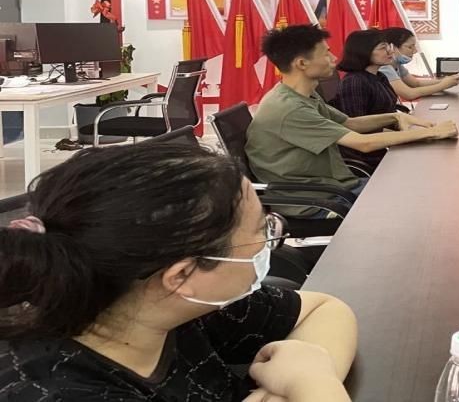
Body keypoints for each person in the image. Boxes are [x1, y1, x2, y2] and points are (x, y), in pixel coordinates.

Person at [0, 143, 357, 401]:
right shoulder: (58, 391)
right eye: (261, 231)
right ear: (182, 275)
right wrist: (311, 383)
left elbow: (326, 309)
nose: (269, 239)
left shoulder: (171, 309)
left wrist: (305, 375)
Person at [248, 25, 458, 201]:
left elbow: (350, 123)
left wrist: (396, 116)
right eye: (326, 53)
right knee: (418, 195)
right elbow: (363, 143)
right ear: (302, 63)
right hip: (317, 198)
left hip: (335, 185)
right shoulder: (290, 108)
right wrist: (432, 132)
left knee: (419, 186)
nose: (334, 58)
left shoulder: (302, 95)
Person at [331, 29, 407, 170]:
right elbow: (359, 128)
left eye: (388, 46)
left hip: (385, 146)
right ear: (364, 51)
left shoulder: (380, 76)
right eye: (383, 48)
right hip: (367, 157)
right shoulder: (354, 82)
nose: (390, 51)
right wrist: (405, 136)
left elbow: (388, 112)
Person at [379, 27, 459, 101]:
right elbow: (409, 94)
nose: (415, 51)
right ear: (391, 47)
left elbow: (416, 83)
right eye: (410, 47)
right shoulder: (384, 68)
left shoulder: (397, 64)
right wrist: (443, 85)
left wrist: (445, 81)